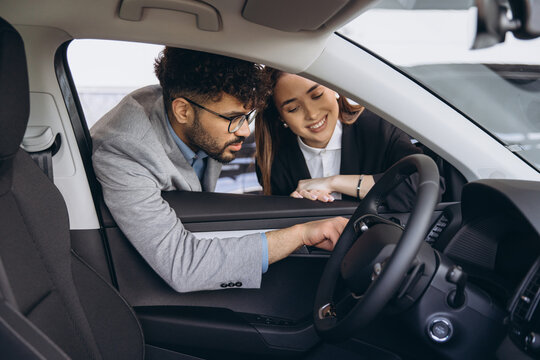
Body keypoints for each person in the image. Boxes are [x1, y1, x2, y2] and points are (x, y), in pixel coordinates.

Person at [91, 48, 347, 293]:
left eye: (247, 117)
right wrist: (301, 234)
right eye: (234, 119)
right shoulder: (124, 151)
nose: (245, 131)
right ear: (183, 111)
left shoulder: (199, 115)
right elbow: (182, 265)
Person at [255, 69, 442, 211]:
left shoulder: (377, 130)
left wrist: (333, 182)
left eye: (317, 95)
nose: (312, 114)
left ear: (333, 88)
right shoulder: (273, 159)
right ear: (280, 117)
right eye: (294, 108)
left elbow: (427, 186)